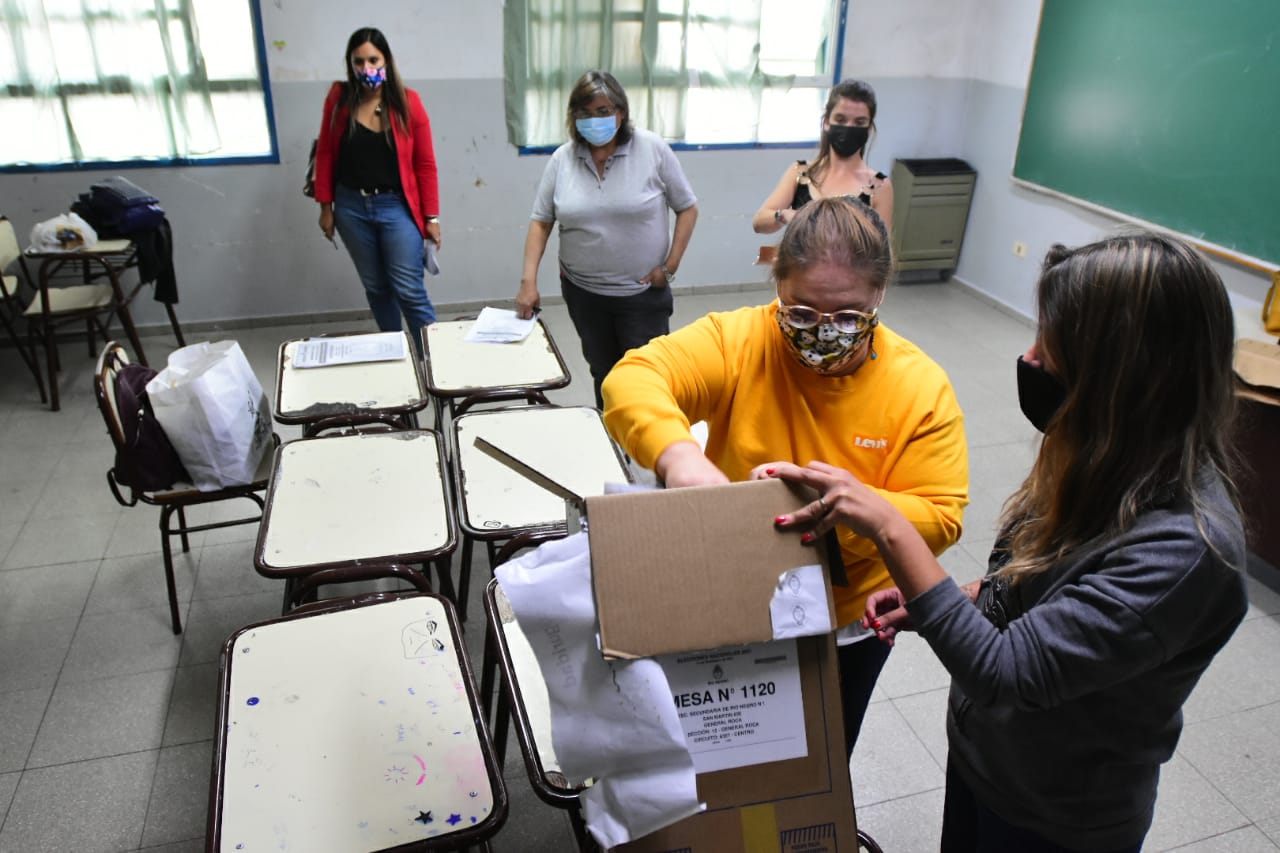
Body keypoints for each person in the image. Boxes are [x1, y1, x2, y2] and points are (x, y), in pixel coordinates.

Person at [769, 234, 1248, 852]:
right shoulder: (1102, 459)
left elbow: (1008, 671)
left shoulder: (1186, 552)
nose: (1032, 358)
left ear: (1125, 373)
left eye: (1054, 345)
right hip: (988, 766)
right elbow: (1038, 584)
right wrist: (962, 598)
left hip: (1056, 815)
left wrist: (887, 523)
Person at [603, 196, 968, 753]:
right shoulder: (741, 340)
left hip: (848, 620)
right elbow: (634, 378)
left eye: (848, 317)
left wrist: (858, 508)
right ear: (777, 287)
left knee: (820, 754)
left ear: (880, 297)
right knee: (722, 745)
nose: (823, 334)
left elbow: (941, 514)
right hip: (736, 589)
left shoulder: (919, 387)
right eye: (800, 313)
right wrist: (681, 458)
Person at [514, 69, 699, 408]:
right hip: (583, 292)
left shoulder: (651, 149)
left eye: (603, 111)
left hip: (641, 293)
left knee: (646, 374)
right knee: (603, 370)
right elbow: (541, 221)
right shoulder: (563, 159)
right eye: (584, 113)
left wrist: (669, 267)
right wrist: (529, 281)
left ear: (621, 112)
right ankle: (614, 442)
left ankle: (648, 443)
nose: (593, 120)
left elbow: (687, 208)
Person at [313, 27, 441, 355]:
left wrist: (432, 217)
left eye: (374, 59)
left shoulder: (408, 102)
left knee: (409, 290)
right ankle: (393, 353)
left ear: (386, 60)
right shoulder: (339, 98)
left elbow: (425, 164)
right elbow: (326, 152)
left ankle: (436, 358)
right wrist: (325, 206)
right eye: (359, 61)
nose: (367, 68)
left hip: (396, 206)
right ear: (350, 64)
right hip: (351, 207)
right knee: (376, 288)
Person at [752, 79, 893, 236]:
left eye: (859, 122)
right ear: (826, 122)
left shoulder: (879, 186)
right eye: (841, 120)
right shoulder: (801, 173)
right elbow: (759, 223)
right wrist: (783, 216)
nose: (848, 127)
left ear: (869, 127)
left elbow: (882, 251)